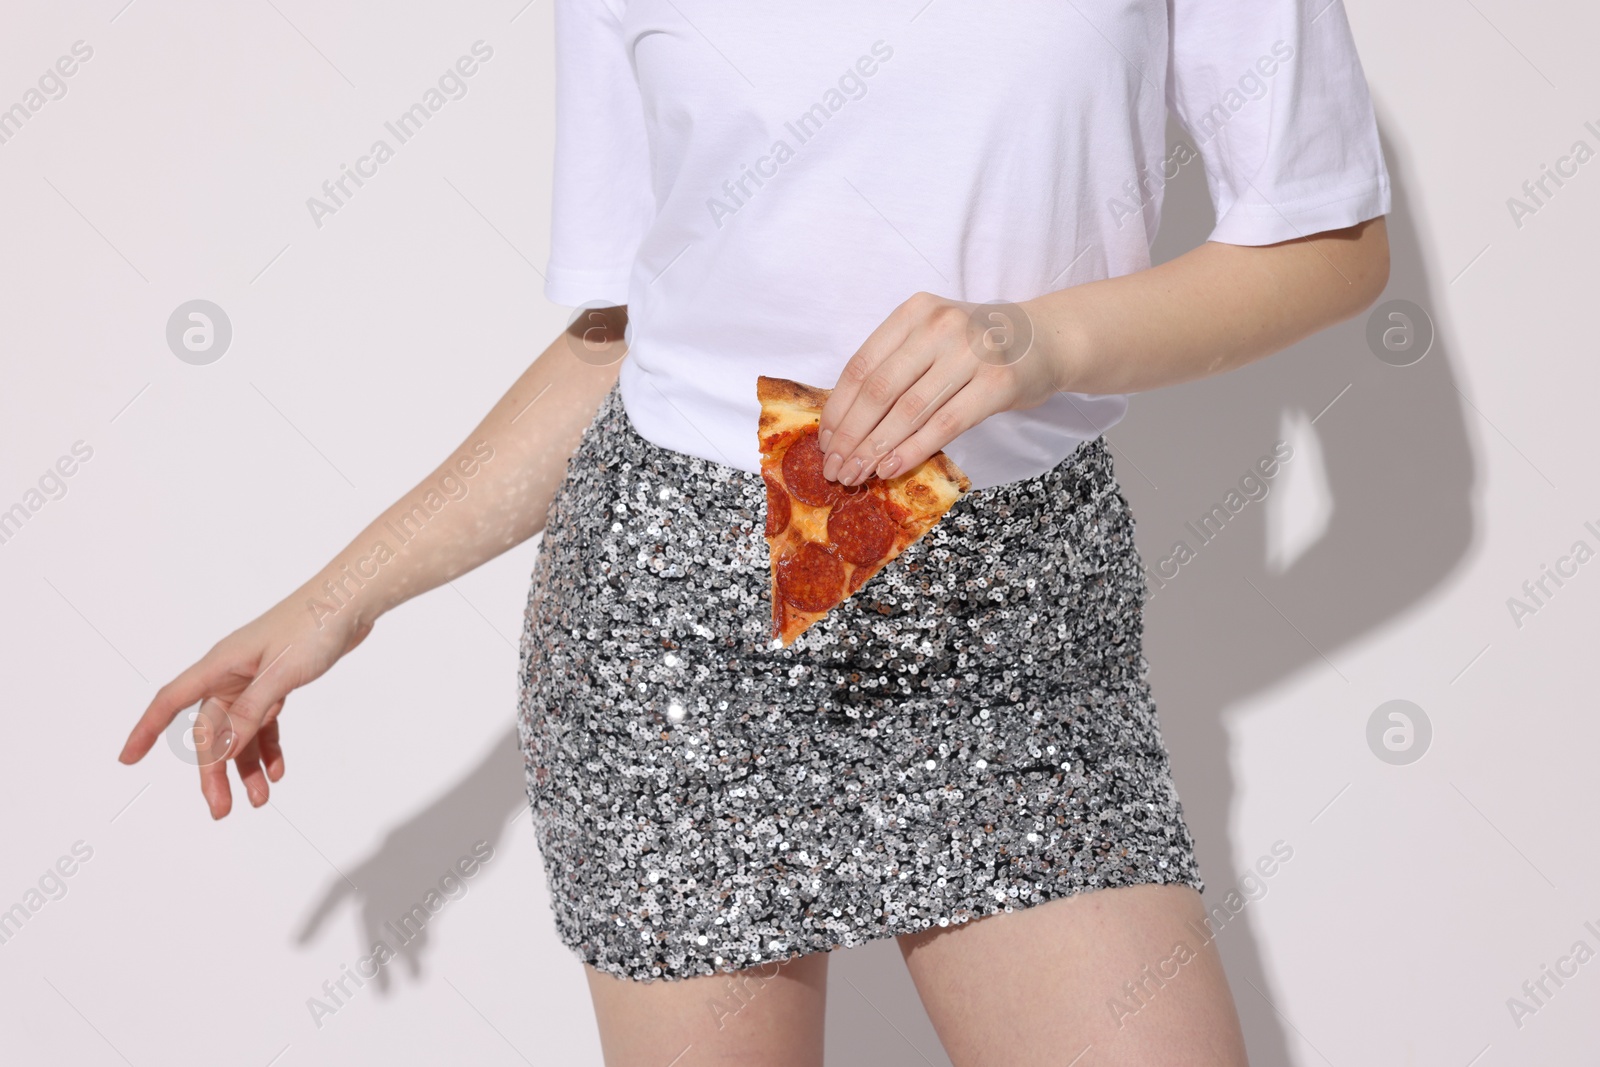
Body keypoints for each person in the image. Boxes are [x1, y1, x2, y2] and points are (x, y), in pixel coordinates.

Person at [120, 2, 1391, 1063]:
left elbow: (1330, 239)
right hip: (677, 627)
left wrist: (1045, 340)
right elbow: (633, 345)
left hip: (1022, 630)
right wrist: (339, 598)